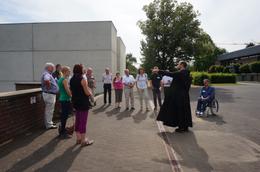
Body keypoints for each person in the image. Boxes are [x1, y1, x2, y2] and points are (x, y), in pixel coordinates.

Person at [156, 61, 192, 133]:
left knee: (180, 111)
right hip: (185, 96)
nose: (177, 65)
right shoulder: (187, 74)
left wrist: (159, 71)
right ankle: (185, 127)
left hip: (179, 96)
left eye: (178, 64)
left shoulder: (181, 73)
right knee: (185, 111)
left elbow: (170, 74)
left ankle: (181, 128)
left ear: (182, 65)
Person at [70, 64, 94, 147]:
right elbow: (87, 93)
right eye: (83, 68)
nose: (84, 69)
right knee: (83, 122)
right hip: (83, 103)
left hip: (75, 102)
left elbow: (72, 91)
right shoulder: (82, 79)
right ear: (80, 70)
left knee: (78, 121)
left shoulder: (71, 79)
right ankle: (83, 141)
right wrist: (90, 92)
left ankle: (78, 138)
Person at [41, 62, 59, 129]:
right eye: (52, 67)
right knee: (49, 110)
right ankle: (49, 124)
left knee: (49, 110)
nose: (53, 69)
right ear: (48, 67)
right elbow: (46, 80)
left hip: (49, 94)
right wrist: (49, 88)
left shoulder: (47, 74)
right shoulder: (46, 74)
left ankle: (49, 122)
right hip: (49, 94)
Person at [57, 66, 72, 138]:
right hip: (65, 99)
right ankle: (62, 132)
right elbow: (68, 91)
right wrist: (71, 96)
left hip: (62, 99)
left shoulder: (60, 79)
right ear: (65, 71)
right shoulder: (64, 80)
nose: (70, 72)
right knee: (64, 116)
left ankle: (62, 129)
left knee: (63, 115)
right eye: (69, 71)